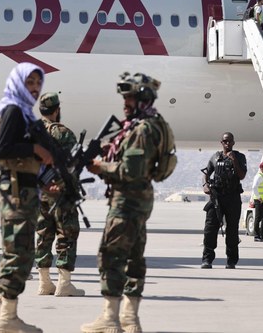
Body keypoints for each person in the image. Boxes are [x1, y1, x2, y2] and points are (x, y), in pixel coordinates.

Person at [82, 72, 168, 333]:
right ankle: (131, 319)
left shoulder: (142, 130)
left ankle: (110, 319)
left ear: (142, 98)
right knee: (134, 257)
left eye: (129, 97)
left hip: (127, 201)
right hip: (139, 200)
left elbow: (131, 170)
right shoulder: (152, 124)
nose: (125, 102)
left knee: (111, 255)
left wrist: (100, 167)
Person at [0, 62, 54, 333]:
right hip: (16, 193)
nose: (35, 89)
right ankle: (6, 318)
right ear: (18, 83)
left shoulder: (24, 112)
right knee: (18, 253)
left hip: (24, 189)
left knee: (22, 252)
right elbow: (3, 149)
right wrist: (35, 147)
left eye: (38, 83)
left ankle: (8, 313)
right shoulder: (13, 109)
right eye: (30, 83)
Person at [34, 92, 85, 297]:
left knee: (43, 234)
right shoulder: (64, 133)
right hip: (62, 193)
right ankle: (64, 283)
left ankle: (44, 283)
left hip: (40, 193)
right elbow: (74, 164)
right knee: (67, 233)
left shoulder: (31, 131)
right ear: (57, 110)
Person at [201, 132, 247, 269]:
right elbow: (206, 174)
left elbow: (242, 175)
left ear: (233, 142)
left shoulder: (239, 157)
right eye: (225, 141)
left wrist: (234, 161)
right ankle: (207, 259)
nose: (227, 144)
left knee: (232, 231)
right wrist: (205, 185)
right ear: (221, 142)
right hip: (217, 198)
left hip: (232, 198)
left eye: (230, 141)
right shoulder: (215, 157)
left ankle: (231, 260)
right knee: (210, 229)